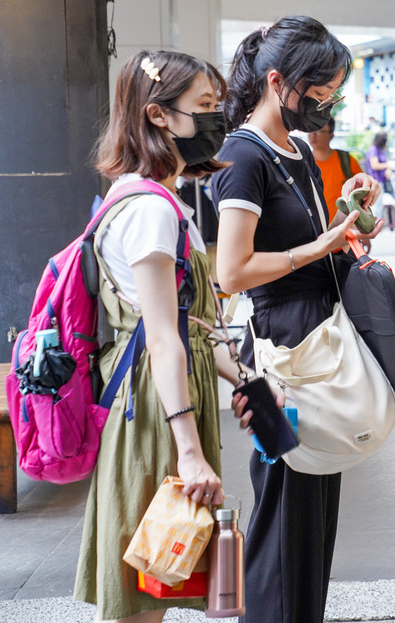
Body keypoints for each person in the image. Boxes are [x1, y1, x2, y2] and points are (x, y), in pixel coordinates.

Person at [211, 16, 384, 623]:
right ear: (279, 81)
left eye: (334, 94)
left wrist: (348, 214)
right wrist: (321, 246)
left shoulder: (295, 152)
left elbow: (311, 240)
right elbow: (232, 271)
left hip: (313, 344)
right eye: (320, 93)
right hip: (279, 355)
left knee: (310, 520)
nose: (327, 104)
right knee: (283, 518)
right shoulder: (243, 154)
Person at [76, 50, 249, 621]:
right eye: (204, 106)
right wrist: (191, 451)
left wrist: (244, 378)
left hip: (162, 399)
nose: (216, 119)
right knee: (146, 589)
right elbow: (162, 336)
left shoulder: (153, 198)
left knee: (163, 574)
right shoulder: (151, 210)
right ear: (157, 115)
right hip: (155, 408)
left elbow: (191, 325)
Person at [308, 115, 363, 222]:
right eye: (310, 130)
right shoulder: (303, 163)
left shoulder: (347, 161)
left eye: (319, 131)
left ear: (331, 135)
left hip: (346, 227)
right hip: (316, 230)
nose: (312, 135)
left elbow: (361, 197)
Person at [366, 130, 395, 228]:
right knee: (376, 205)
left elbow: (385, 162)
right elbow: (374, 165)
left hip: (382, 180)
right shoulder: (373, 150)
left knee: (380, 205)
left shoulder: (382, 149)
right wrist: (387, 166)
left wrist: (388, 168)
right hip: (375, 180)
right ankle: (373, 225)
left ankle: (377, 225)